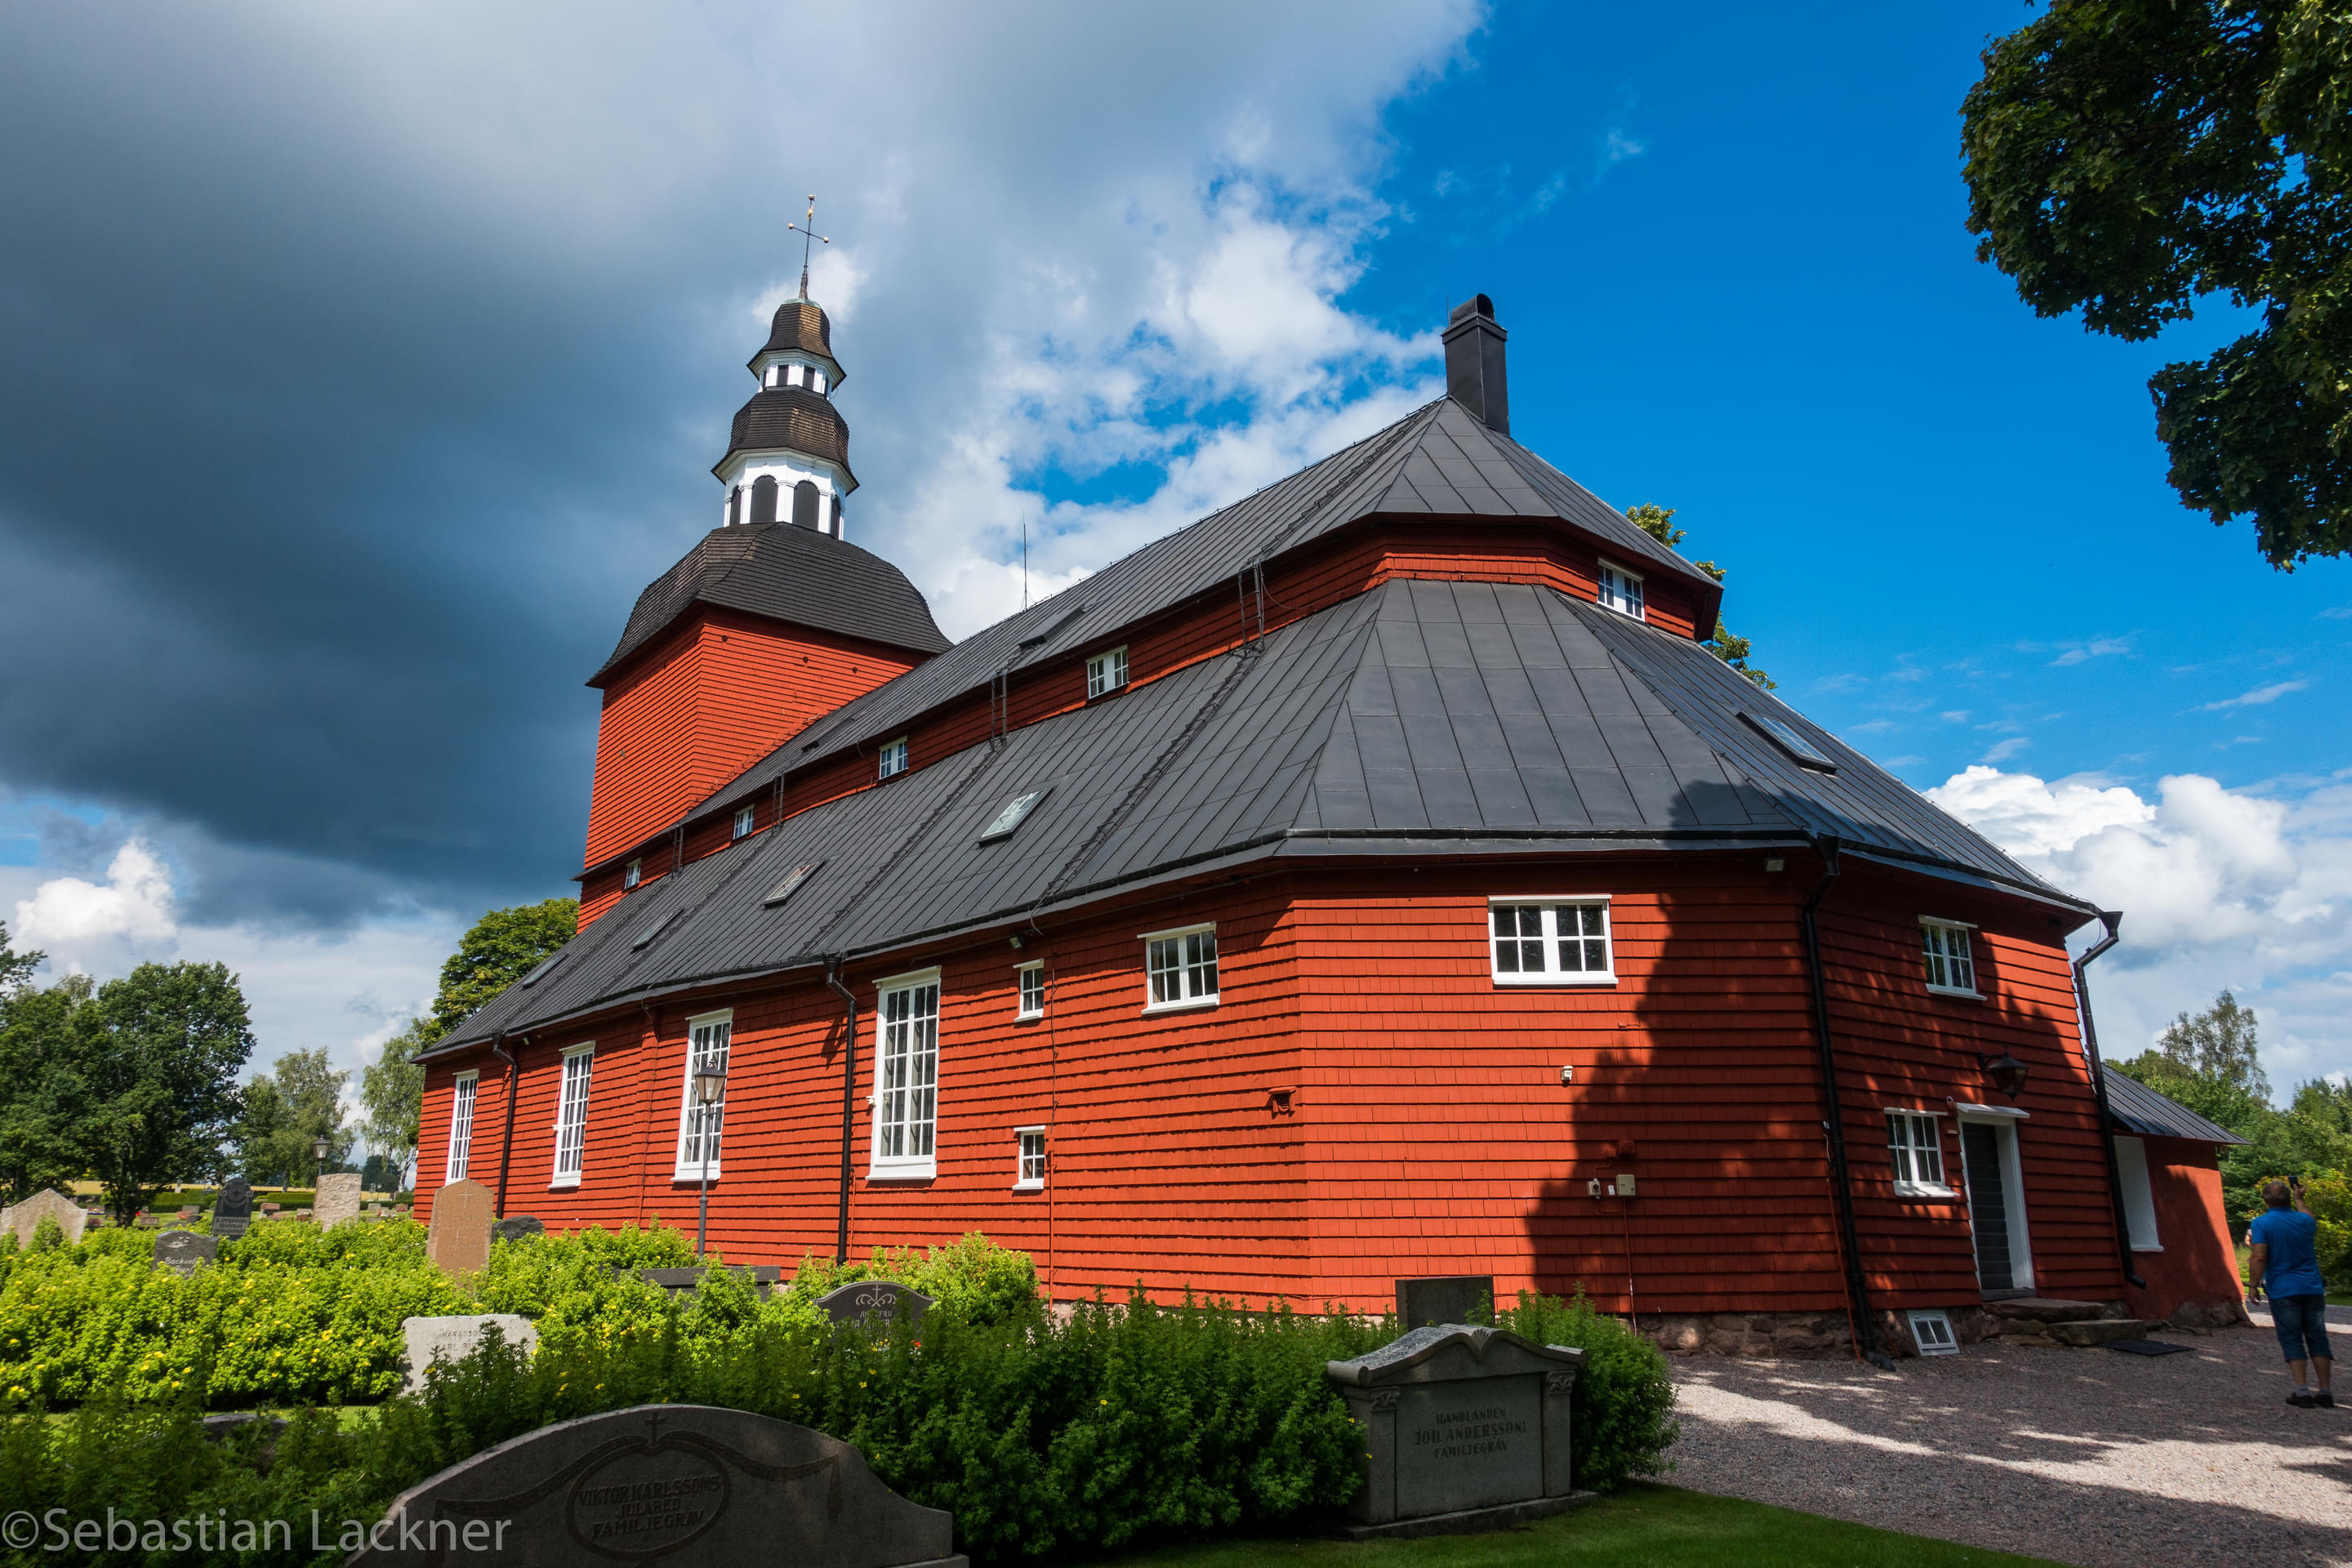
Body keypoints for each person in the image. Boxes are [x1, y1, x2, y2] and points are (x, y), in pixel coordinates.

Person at [2248, 1178, 2333, 1409]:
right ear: (2288, 1198)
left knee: (2291, 1337)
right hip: (2312, 1287)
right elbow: (2310, 1219)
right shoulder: (2303, 1221)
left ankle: (2302, 1391)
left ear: (2265, 1200)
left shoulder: (2261, 1223)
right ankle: (2325, 1391)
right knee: (2317, 1337)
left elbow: (2258, 1256)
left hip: (2283, 1289)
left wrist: (2253, 1285)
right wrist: (2300, 1199)